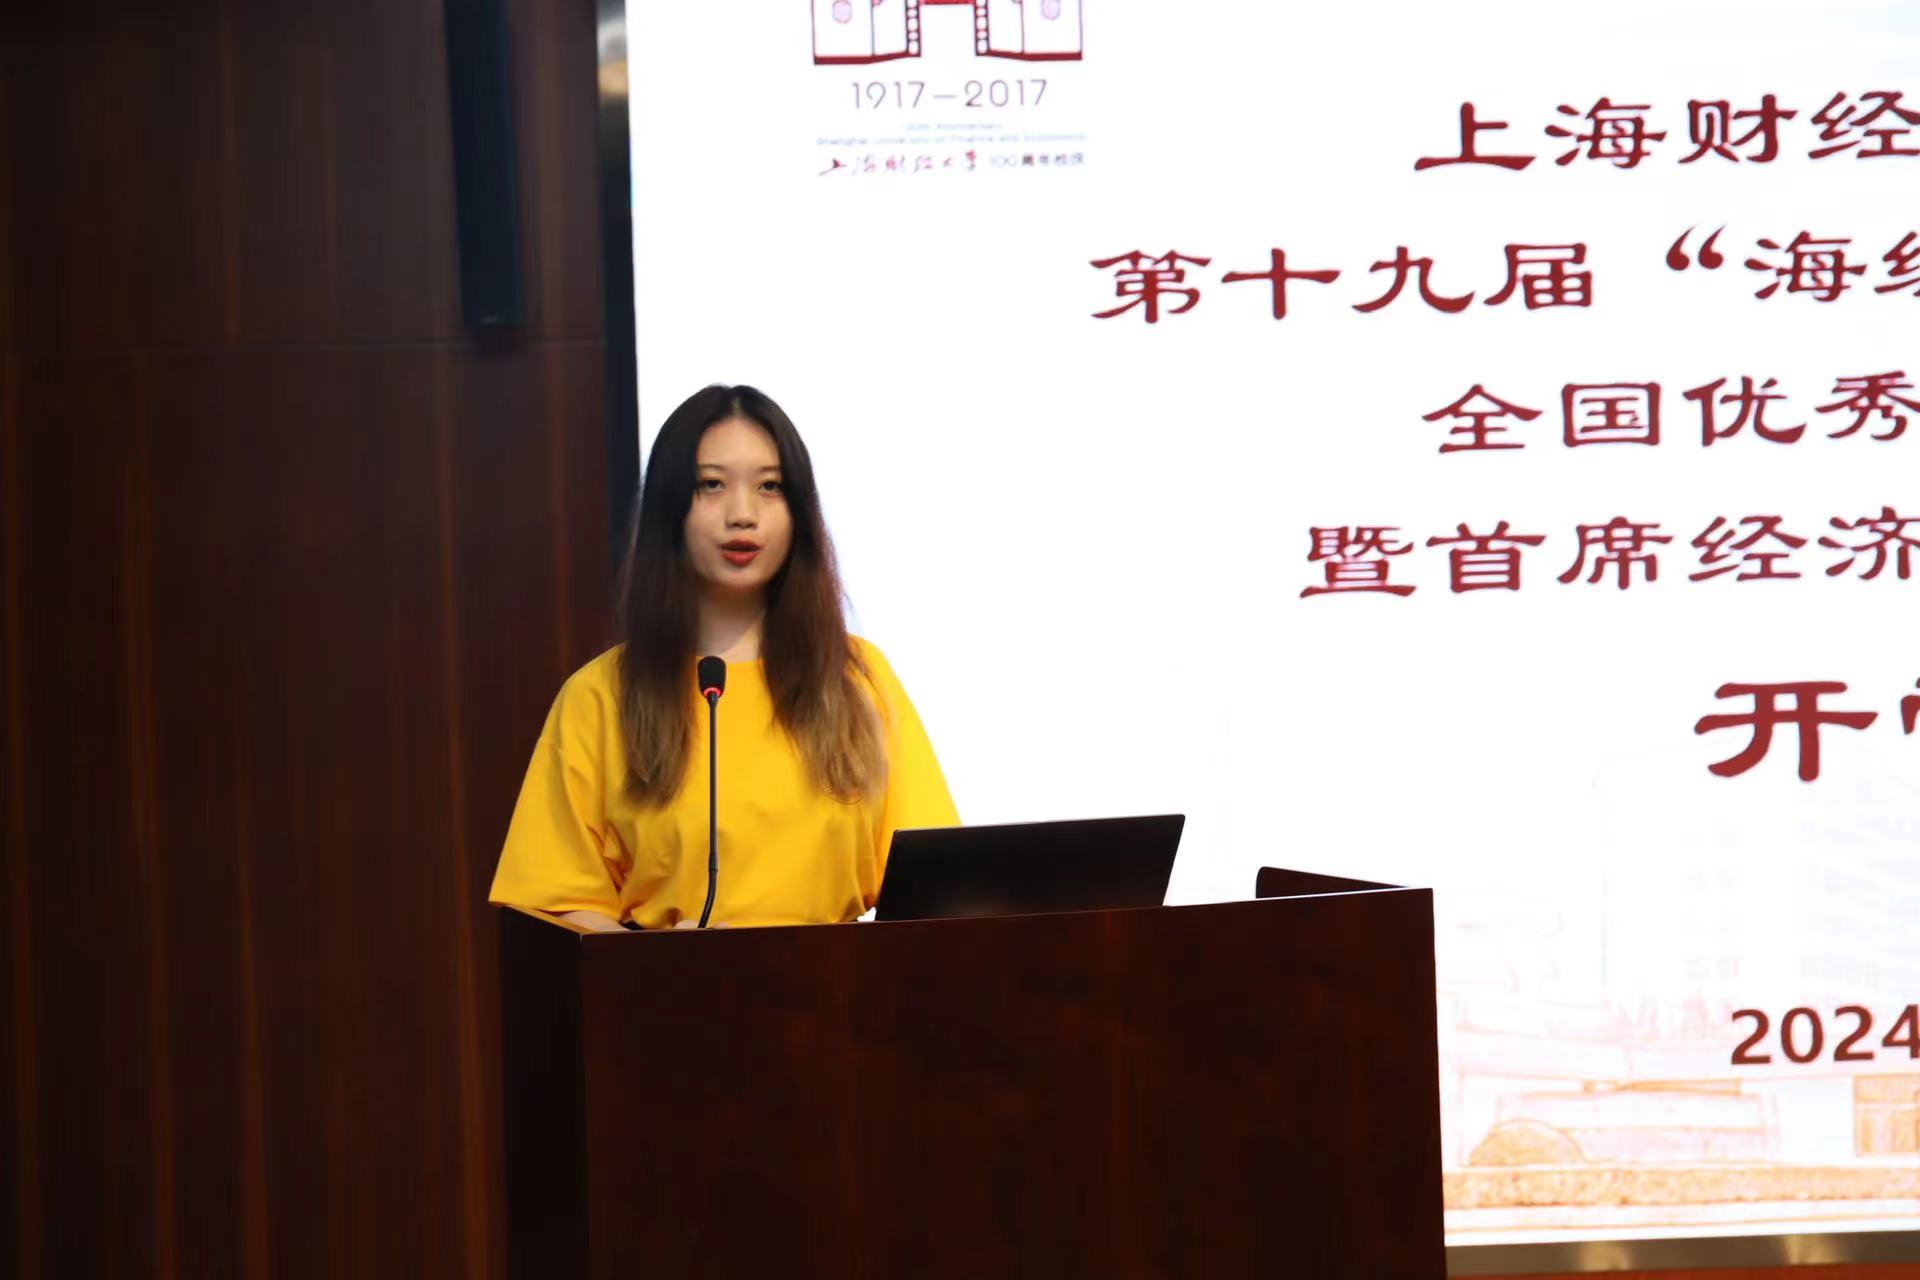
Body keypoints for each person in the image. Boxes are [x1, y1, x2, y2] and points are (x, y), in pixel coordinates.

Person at [488, 385, 958, 930]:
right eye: (711, 485)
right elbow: (551, 903)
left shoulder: (858, 678)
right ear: (670, 506)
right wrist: (661, 962)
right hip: (663, 984)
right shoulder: (600, 696)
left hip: (837, 982)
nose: (742, 514)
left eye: (769, 486)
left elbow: (934, 881)